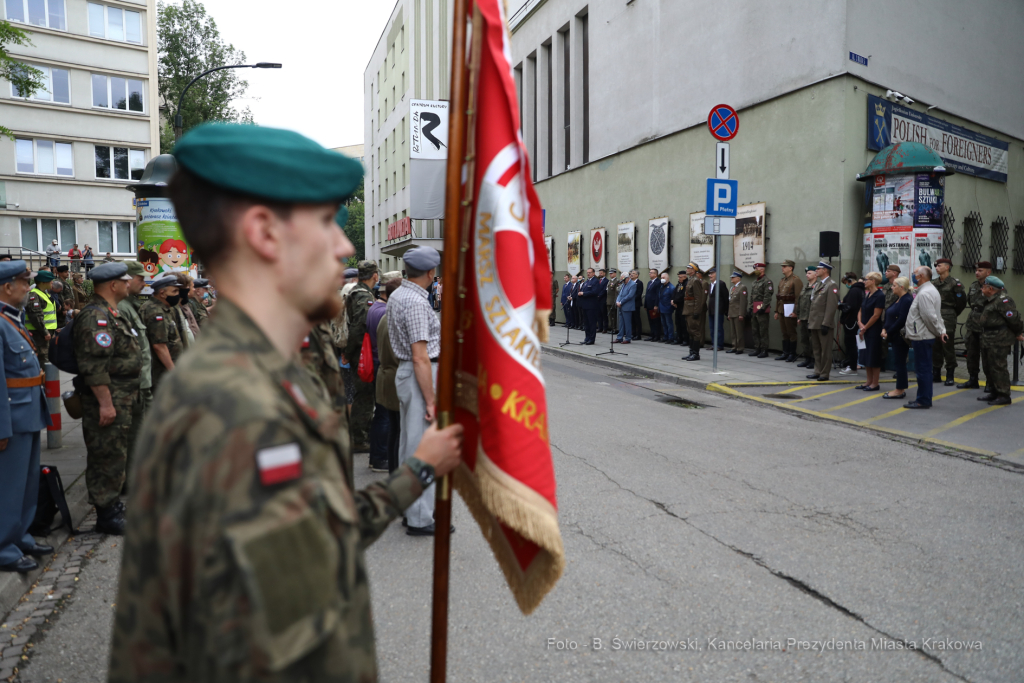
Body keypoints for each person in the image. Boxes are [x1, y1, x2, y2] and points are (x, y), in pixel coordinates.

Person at [108, 124, 463, 682]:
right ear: (265, 233)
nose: (345, 247)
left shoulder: (272, 376)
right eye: (327, 223)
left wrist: (419, 469)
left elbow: (324, 535)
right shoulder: (231, 405)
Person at [387, 245, 453, 536]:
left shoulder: (399, 294)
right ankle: (420, 518)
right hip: (419, 375)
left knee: (409, 446)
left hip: (408, 373)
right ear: (431, 272)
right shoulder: (415, 302)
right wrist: (431, 400)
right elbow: (420, 356)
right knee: (422, 450)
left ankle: (409, 508)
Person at [73, 262, 143, 535]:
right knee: (106, 455)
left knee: (115, 453)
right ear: (113, 285)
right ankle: (107, 513)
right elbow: (94, 366)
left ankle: (112, 506)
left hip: (122, 396)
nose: (129, 284)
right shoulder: (96, 317)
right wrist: (105, 403)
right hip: (108, 398)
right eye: (125, 281)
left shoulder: (112, 313)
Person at [0, 261, 53, 573]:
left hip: (29, 412)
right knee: (8, 485)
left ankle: (21, 535)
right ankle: (4, 546)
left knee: (27, 482)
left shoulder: (11, 320)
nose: (28, 288)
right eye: (24, 282)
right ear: (8, 286)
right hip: (12, 418)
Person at [343, 260, 380, 453]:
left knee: (363, 395)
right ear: (374, 275)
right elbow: (359, 327)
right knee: (364, 396)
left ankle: (359, 435)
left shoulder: (355, 291)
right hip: (360, 352)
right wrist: (349, 354)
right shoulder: (363, 296)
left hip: (358, 351)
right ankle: (359, 438)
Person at [117, 261, 153, 443]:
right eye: (141, 278)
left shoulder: (131, 305)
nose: (144, 283)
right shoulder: (122, 308)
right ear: (128, 280)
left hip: (141, 382)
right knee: (136, 440)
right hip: (133, 385)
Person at [902, 266, 947, 409]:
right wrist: (941, 330)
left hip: (922, 336)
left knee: (923, 370)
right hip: (922, 335)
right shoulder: (927, 290)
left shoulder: (925, 293)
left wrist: (939, 332)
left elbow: (930, 317)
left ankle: (923, 400)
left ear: (921, 276)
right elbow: (936, 316)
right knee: (923, 369)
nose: (913, 276)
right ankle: (922, 397)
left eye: (915, 274)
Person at [975, 277, 1023, 405]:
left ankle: (1004, 394)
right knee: (988, 366)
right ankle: (994, 391)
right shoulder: (990, 300)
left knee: (998, 367)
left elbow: (1014, 320)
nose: (981, 289)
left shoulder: (1003, 301)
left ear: (991, 288)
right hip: (988, 338)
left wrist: (1018, 333)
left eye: (984, 287)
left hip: (999, 339)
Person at [366, 271, 395, 472]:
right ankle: (380, 457)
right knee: (384, 415)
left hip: (377, 364)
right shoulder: (384, 311)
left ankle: (375, 456)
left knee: (380, 414)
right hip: (382, 364)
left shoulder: (374, 307)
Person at [376, 277, 404, 472]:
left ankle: (394, 469)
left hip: (386, 375)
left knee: (394, 428)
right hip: (395, 376)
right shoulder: (393, 317)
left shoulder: (385, 316)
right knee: (399, 430)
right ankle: (396, 469)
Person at [139, 275, 183, 391]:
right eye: (175, 291)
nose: (178, 295)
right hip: (161, 373)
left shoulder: (164, 308)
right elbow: (159, 346)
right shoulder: (155, 311)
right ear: (162, 293)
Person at [958, 261, 994, 391]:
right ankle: (973, 379)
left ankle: (990, 383)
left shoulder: (994, 286)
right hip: (973, 323)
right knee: (972, 353)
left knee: (987, 355)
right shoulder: (973, 286)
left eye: (980, 270)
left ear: (988, 272)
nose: (977, 273)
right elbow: (970, 302)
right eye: (976, 270)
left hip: (986, 325)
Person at [931, 258, 965, 387]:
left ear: (947, 267)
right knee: (935, 345)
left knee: (947, 345)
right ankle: (936, 373)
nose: (937, 268)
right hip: (934, 315)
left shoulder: (955, 284)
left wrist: (952, 313)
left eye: (939, 266)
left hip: (948, 316)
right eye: (936, 266)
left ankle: (950, 374)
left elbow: (961, 303)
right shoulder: (933, 283)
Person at [881, 277, 914, 400]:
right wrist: (884, 328)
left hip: (900, 337)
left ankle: (899, 390)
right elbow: (889, 314)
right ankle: (899, 388)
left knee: (900, 363)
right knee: (898, 362)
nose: (891, 287)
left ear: (901, 287)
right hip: (893, 335)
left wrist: (888, 332)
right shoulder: (898, 299)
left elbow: (901, 320)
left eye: (894, 285)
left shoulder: (906, 300)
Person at [807, 262, 840, 381]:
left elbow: (831, 306)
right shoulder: (819, 284)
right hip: (815, 321)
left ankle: (824, 373)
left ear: (825, 270)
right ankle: (817, 370)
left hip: (823, 322)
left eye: (818, 269)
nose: (816, 270)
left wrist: (826, 323)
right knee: (816, 348)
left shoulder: (831, 285)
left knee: (825, 350)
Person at [856, 272, 885, 391]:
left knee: (873, 356)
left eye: (866, 279)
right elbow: (860, 310)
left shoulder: (879, 295)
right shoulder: (867, 294)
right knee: (865, 355)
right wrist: (859, 323)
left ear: (873, 281)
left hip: (873, 330)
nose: (864, 282)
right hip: (863, 329)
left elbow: (876, 315)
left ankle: (875, 383)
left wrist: (865, 327)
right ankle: (868, 381)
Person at [25, 270, 58, 364]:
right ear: (43, 282)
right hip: (39, 334)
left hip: (46, 333)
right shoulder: (34, 295)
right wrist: (44, 332)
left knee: (48, 359)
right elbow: (35, 316)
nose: (52, 282)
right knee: (43, 361)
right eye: (50, 280)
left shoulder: (45, 294)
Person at [773, 260, 802, 361]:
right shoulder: (782, 280)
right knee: (784, 332)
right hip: (782, 309)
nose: (782, 268)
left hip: (790, 309)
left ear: (791, 268)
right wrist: (776, 311)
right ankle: (785, 352)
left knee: (791, 332)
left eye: (785, 266)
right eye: (782, 266)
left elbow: (798, 298)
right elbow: (779, 297)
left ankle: (792, 354)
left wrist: (796, 312)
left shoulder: (795, 280)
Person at [838, 272, 865, 376]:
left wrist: (841, 306)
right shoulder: (860, 290)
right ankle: (853, 365)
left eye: (846, 283)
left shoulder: (854, 291)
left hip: (851, 321)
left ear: (849, 281)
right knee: (853, 344)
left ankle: (852, 366)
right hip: (854, 320)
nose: (846, 285)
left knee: (850, 344)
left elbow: (850, 306)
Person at [681, 263, 706, 361]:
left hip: (692, 310)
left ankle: (696, 354)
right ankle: (691, 352)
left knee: (695, 331)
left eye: (689, 268)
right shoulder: (690, 280)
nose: (687, 269)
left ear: (694, 270)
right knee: (690, 331)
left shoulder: (695, 281)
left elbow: (698, 298)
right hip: (688, 309)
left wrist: (697, 311)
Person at [747, 262, 773, 358]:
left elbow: (767, 296)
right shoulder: (754, 282)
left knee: (763, 330)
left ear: (762, 269)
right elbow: (752, 296)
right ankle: (757, 348)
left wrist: (763, 308)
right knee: (755, 330)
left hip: (762, 310)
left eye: (757, 269)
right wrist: (750, 308)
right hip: (754, 309)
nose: (755, 271)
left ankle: (764, 350)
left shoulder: (767, 282)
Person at [795, 266, 816, 367]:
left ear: (816, 274)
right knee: (804, 339)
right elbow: (800, 302)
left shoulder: (817, 286)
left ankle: (813, 359)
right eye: (807, 273)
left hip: (811, 318)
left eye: (809, 273)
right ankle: (807, 358)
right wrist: (798, 316)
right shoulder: (805, 286)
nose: (807, 275)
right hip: (803, 317)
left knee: (813, 340)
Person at [576, 268, 602, 345]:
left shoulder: (595, 281)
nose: (588, 274)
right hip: (585, 305)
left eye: (590, 272)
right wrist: (580, 294)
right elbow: (583, 290)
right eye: (587, 272)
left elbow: (595, 292)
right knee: (586, 323)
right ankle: (587, 338)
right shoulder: (587, 281)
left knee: (592, 323)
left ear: (593, 273)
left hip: (592, 306)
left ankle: (591, 339)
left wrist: (583, 293)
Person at [706, 267, 727, 351]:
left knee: (718, 328)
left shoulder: (721, 284)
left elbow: (725, 297)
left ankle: (719, 345)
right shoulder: (710, 285)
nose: (710, 275)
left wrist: (726, 309)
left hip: (719, 310)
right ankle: (714, 344)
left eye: (712, 274)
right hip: (711, 310)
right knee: (712, 328)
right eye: (709, 274)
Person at [727, 271, 748, 354]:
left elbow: (743, 302)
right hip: (732, 312)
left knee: (739, 331)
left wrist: (741, 314)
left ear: (738, 278)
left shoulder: (742, 287)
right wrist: (729, 313)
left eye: (733, 277)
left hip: (738, 312)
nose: (731, 278)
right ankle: (734, 346)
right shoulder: (732, 288)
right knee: (733, 332)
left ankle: (740, 347)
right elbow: (730, 301)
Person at [615, 269, 637, 344]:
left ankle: (628, 338)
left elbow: (630, 296)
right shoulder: (623, 284)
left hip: (627, 306)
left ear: (627, 278)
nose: (622, 281)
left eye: (623, 279)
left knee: (627, 323)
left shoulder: (633, 284)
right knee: (621, 323)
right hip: (620, 306)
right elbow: (619, 294)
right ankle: (619, 337)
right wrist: (617, 301)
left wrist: (621, 302)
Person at [643, 268, 662, 342]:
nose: (649, 274)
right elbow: (647, 294)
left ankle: (657, 336)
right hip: (648, 304)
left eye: (651, 273)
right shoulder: (649, 282)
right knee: (650, 321)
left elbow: (658, 294)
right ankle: (652, 335)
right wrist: (645, 304)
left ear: (655, 274)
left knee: (655, 321)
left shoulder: (658, 282)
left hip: (654, 304)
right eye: (649, 272)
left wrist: (656, 305)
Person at [671, 270, 689, 346]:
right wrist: (672, 300)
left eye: (680, 277)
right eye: (678, 277)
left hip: (683, 306)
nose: (679, 278)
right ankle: (679, 338)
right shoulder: (679, 284)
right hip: (677, 307)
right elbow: (675, 292)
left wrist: (675, 301)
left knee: (683, 324)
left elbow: (683, 295)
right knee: (678, 323)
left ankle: (685, 339)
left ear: (685, 277)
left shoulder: (686, 284)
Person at [605, 268, 621, 336]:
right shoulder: (609, 281)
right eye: (610, 273)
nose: (610, 274)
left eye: (612, 273)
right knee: (610, 315)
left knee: (614, 316)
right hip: (608, 300)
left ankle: (614, 328)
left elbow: (616, 293)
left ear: (615, 273)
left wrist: (615, 301)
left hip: (613, 301)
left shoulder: (617, 281)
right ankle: (612, 327)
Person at [631, 269, 643, 340]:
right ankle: (633, 333)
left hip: (636, 303)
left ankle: (638, 335)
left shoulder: (639, 283)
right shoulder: (630, 282)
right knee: (632, 319)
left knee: (637, 319)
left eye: (633, 273)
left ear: (637, 275)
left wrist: (631, 299)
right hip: (630, 304)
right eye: (631, 273)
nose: (631, 274)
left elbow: (639, 294)